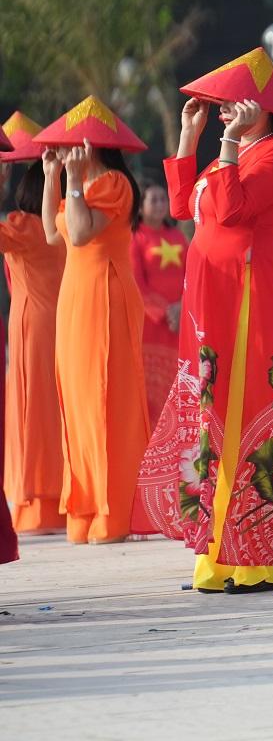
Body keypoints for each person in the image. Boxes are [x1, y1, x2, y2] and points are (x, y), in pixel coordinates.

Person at [135, 49, 273, 590]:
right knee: (214, 414)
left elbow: (233, 211)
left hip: (251, 299)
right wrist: (190, 140)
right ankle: (216, 557)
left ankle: (261, 559)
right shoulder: (229, 156)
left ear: (269, 107)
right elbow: (187, 206)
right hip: (213, 299)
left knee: (248, 414)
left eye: (242, 102)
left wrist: (229, 143)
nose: (231, 109)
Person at [37, 96, 150, 545]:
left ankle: (113, 510)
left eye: (69, 146)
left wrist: (73, 180)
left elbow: (82, 232)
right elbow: (53, 233)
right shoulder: (77, 183)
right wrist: (51, 177)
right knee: (79, 401)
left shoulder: (114, 184)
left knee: (108, 401)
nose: (64, 152)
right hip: (75, 298)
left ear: (90, 146)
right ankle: (84, 505)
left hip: (107, 296)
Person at [1, 113, 65, 535]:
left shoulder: (21, 227)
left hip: (32, 326)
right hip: (62, 320)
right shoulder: (61, 220)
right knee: (57, 412)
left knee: (32, 412)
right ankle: (59, 495)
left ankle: (37, 499)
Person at [131, 181, 187, 429]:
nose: (159, 204)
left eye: (163, 199)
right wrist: (166, 312)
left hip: (180, 322)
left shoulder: (178, 236)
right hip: (151, 326)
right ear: (140, 207)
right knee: (149, 385)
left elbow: (192, 276)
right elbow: (136, 283)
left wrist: (182, 307)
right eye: (153, 200)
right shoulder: (136, 238)